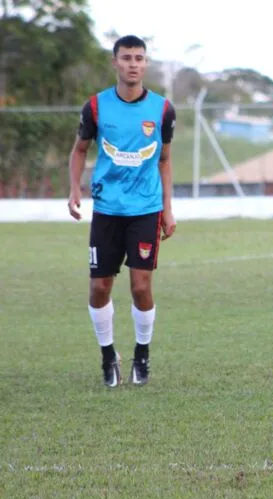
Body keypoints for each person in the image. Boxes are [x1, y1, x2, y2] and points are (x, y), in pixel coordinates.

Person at [68, 34, 177, 388]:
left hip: (146, 208)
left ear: (146, 64)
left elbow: (164, 160)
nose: (133, 63)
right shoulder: (96, 107)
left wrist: (169, 210)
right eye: (126, 57)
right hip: (107, 209)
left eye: (139, 58)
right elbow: (80, 149)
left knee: (141, 286)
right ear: (115, 62)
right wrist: (74, 190)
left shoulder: (162, 110)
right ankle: (107, 355)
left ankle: (142, 355)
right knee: (100, 286)